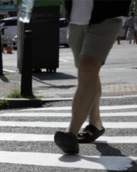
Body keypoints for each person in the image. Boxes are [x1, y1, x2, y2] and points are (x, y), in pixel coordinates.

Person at [53, 0, 132, 155]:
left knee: (87, 70)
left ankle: (71, 132)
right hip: (77, 17)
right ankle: (95, 123)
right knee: (87, 73)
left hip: (109, 11)